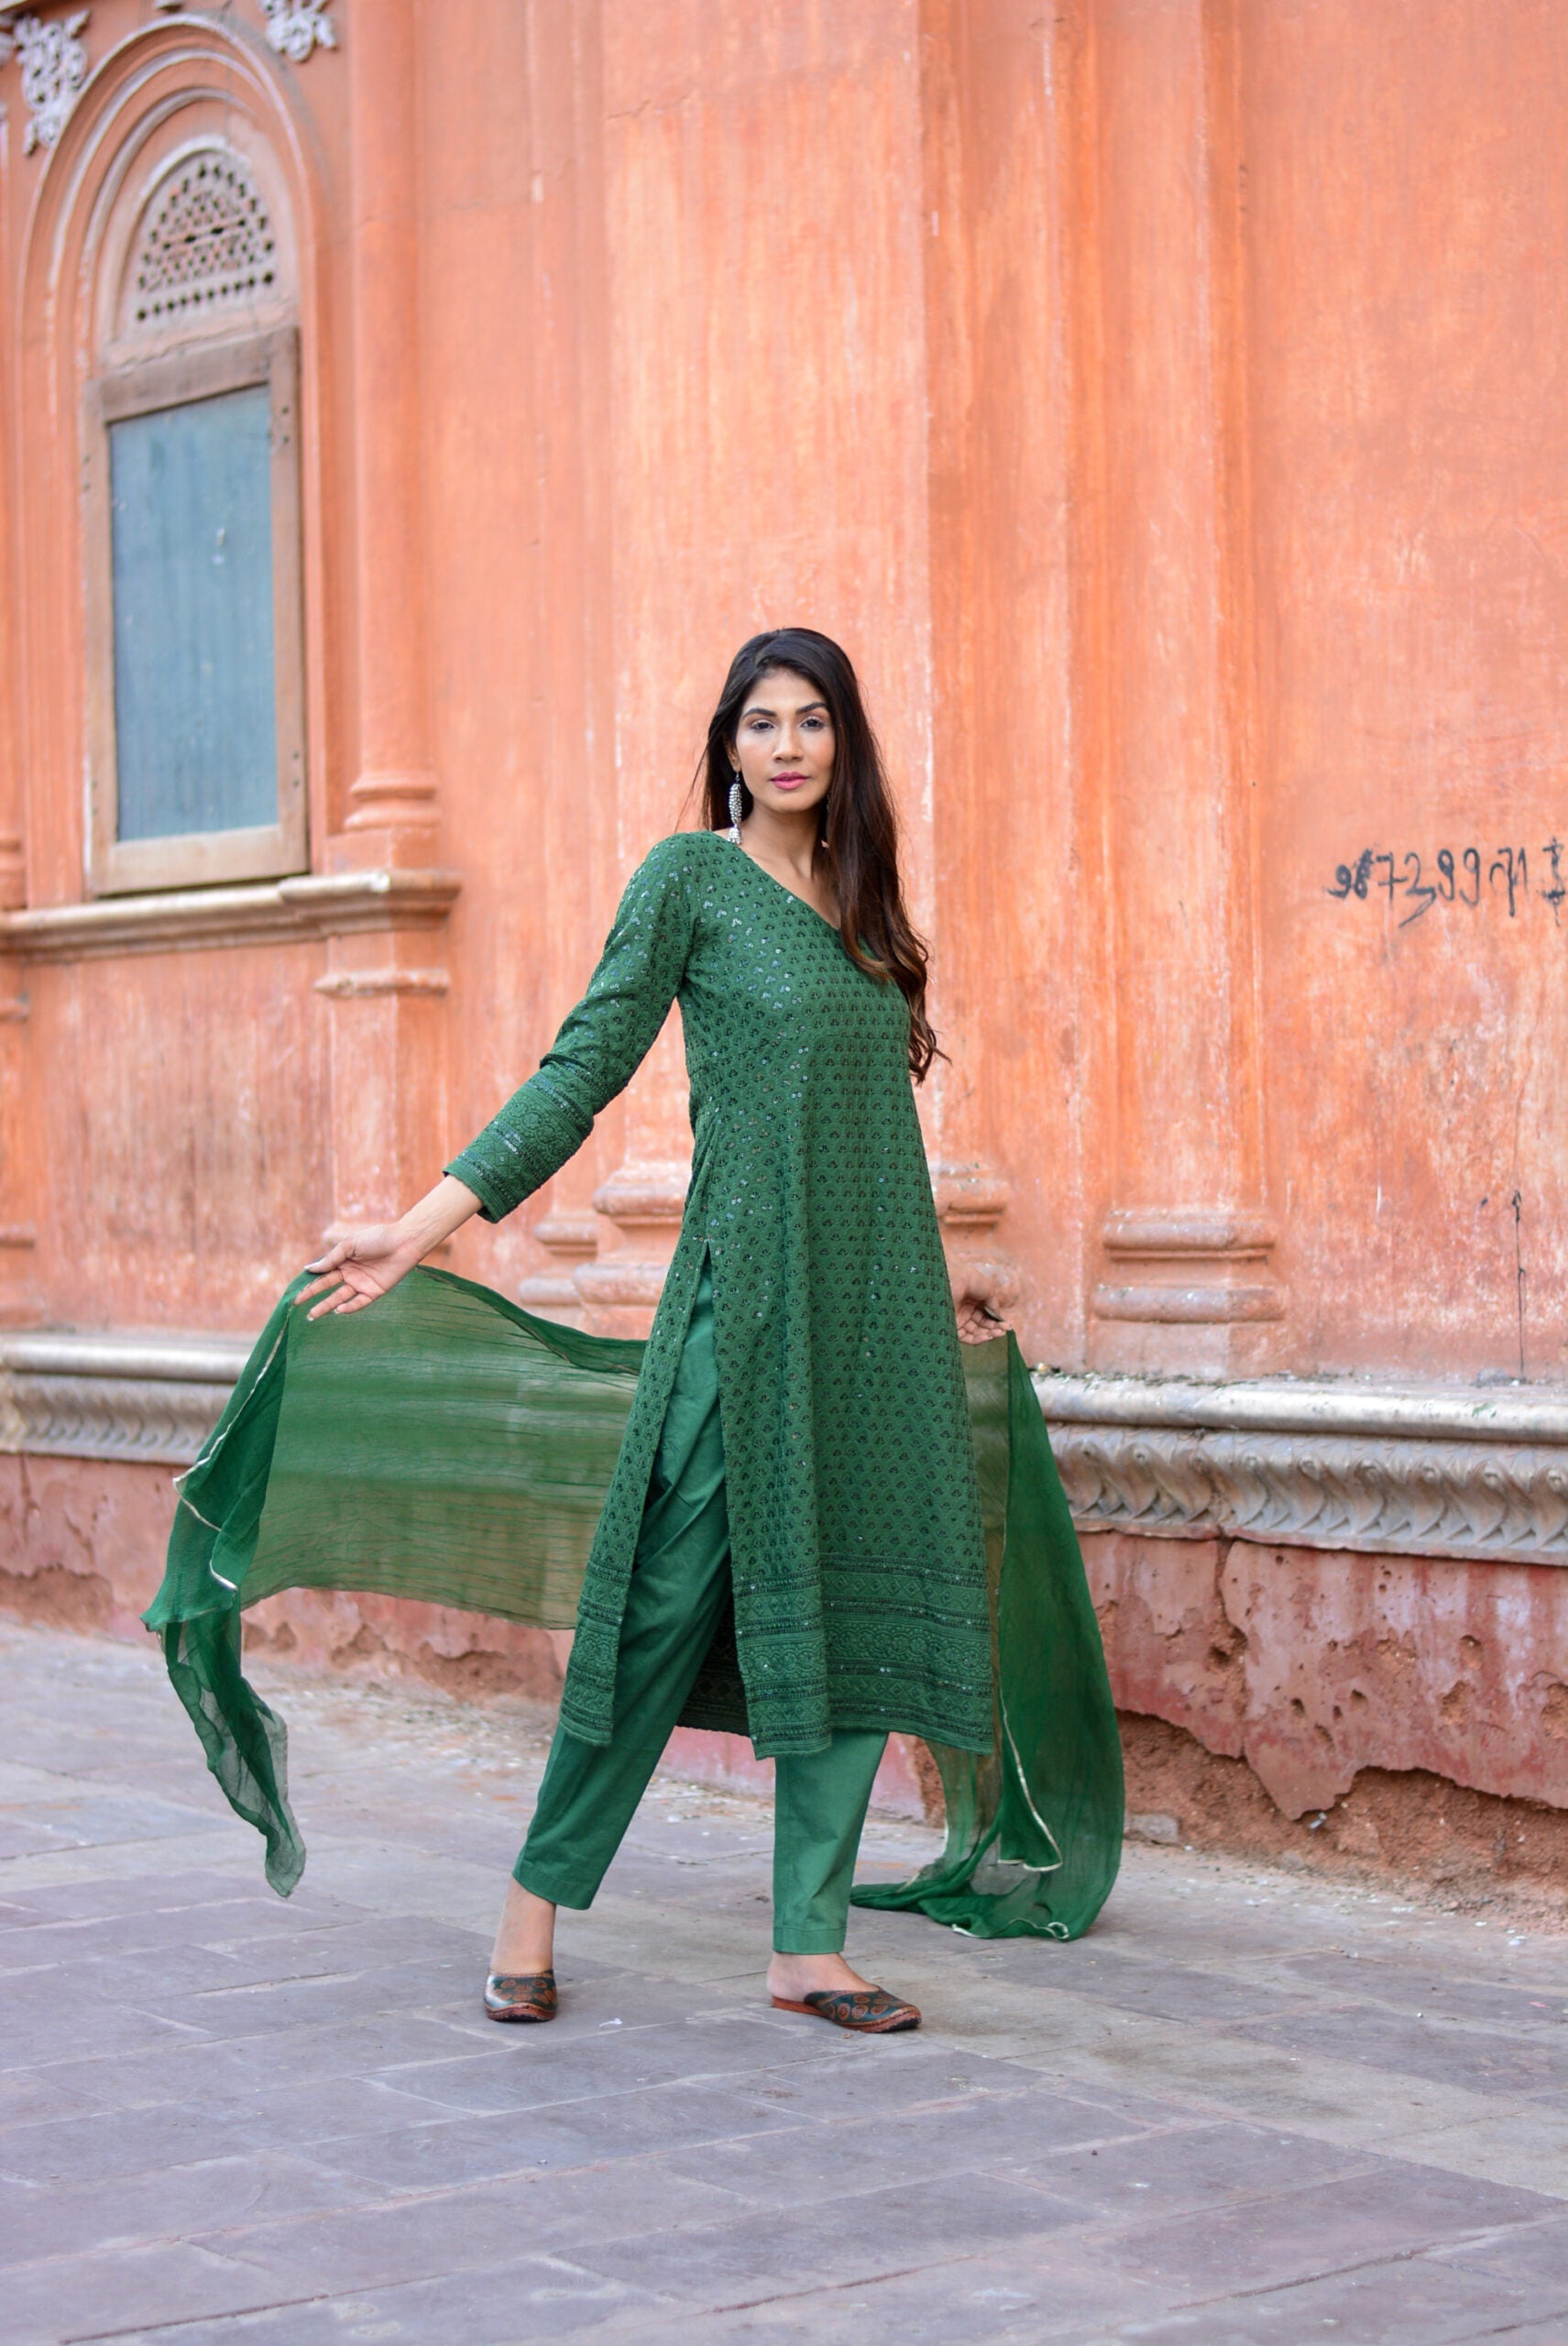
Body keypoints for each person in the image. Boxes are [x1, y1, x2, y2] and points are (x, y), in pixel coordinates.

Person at [295, 628, 998, 2036]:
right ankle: (534, 1901)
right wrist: (424, 1226)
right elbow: (583, 1071)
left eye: (812, 720)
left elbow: (872, 1125)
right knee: (659, 1605)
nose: (787, 746)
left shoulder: (863, 902)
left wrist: (950, 1286)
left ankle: (809, 1948)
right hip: (749, 1307)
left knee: (858, 1613)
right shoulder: (689, 881)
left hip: (880, 1321)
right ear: (727, 744)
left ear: (844, 742)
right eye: (761, 721)